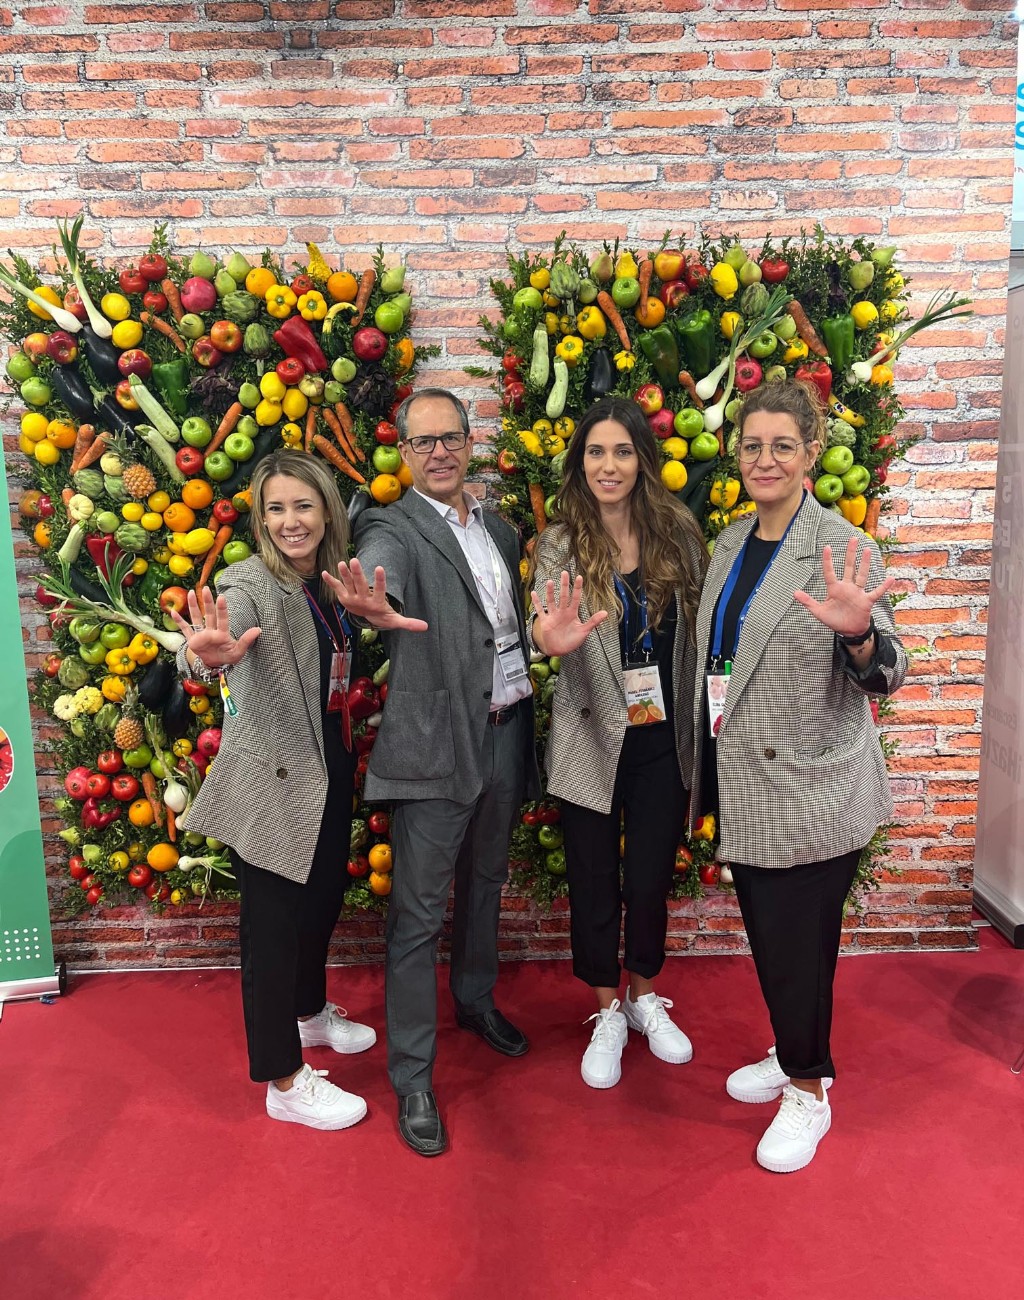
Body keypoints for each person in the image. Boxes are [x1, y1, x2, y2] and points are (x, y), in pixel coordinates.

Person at [690, 380, 907, 1173]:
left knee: (796, 946)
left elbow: (889, 673)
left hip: (814, 788)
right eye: (753, 445)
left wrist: (859, 639)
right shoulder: (728, 542)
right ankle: (791, 1052)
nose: (765, 459)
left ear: (812, 452)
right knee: (775, 936)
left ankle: (810, 1089)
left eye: (783, 445)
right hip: (745, 774)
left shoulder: (843, 546)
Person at [323, 388, 540, 1157]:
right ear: (405, 453)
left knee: (485, 883)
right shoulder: (394, 525)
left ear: (470, 443)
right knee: (416, 918)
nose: (439, 452)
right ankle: (413, 1077)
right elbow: (382, 568)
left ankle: (475, 1000)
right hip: (435, 744)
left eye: (450, 437)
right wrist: (375, 603)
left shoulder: (502, 531)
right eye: (424, 442)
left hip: (508, 732)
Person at [169, 451, 376, 1132]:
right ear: (261, 519)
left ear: (326, 512)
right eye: (276, 509)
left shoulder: (330, 580)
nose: (291, 521)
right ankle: (283, 1079)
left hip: (330, 766)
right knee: (272, 930)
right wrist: (204, 652)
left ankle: (309, 1013)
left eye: (303, 506)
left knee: (321, 903)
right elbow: (216, 637)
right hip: (275, 781)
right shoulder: (249, 579)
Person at [528, 397, 708, 1090]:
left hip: (662, 738)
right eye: (596, 452)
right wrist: (549, 640)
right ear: (581, 463)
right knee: (594, 878)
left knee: (651, 878)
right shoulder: (560, 544)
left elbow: (701, 633)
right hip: (589, 732)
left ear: (642, 461)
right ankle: (605, 1009)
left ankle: (642, 996)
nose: (609, 466)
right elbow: (541, 625)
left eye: (623, 452)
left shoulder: (678, 533)